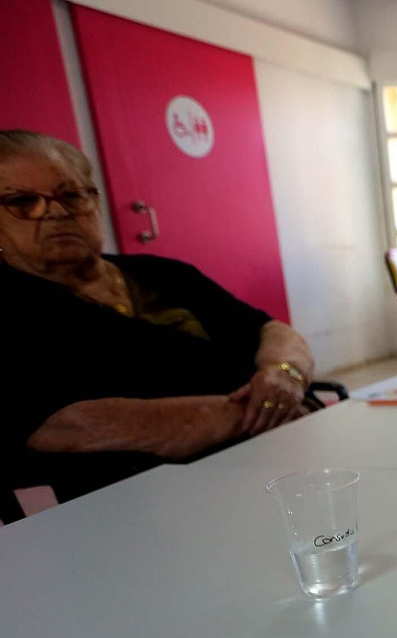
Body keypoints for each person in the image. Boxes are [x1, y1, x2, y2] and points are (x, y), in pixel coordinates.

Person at [0, 129, 316, 501]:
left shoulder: (163, 273)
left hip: (275, 455)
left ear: (94, 201)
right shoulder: (11, 305)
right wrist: (252, 413)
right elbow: (59, 423)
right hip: (149, 495)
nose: (55, 212)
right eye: (23, 202)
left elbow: (271, 330)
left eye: (71, 195)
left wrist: (284, 374)